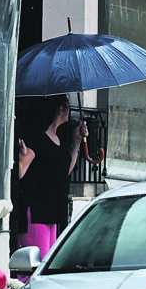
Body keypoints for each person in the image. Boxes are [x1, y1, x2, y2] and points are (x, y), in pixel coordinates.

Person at [14, 94, 87, 254]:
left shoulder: (57, 138)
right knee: (34, 265)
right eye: (67, 105)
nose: (70, 110)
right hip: (36, 213)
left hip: (52, 212)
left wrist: (77, 142)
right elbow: (19, 173)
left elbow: (64, 172)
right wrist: (21, 158)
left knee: (45, 262)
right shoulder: (36, 139)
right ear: (60, 109)